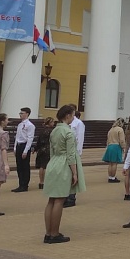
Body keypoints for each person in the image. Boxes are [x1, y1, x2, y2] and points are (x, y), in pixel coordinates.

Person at [43, 104, 85, 244]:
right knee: (59, 200)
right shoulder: (68, 132)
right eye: (73, 115)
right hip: (63, 165)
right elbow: (71, 155)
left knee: (51, 200)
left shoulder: (54, 130)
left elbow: (51, 151)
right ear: (68, 116)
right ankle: (54, 233)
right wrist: (74, 173)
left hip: (53, 163)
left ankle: (48, 233)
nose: (73, 118)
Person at [12, 107, 36, 193]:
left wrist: (26, 151)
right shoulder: (20, 125)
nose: (20, 115)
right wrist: (15, 148)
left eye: (22, 113)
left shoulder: (30, 125)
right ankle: (20, 183)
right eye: (20, 113)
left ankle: (25, 184)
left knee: (25, 166)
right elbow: (17, 137)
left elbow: (30, 138)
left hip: (25, 145)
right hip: (19, 145)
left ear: (27, 114)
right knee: (19, 166)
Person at [65, 107, 85, 207]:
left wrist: (78, 153)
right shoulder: (65, 123)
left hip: (74, 152)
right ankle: (65, 196)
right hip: (66, 152)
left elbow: (80, 138)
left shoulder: (78, 123)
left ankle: (71, 198)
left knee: (73, 175)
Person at [103, 118, 127, 183]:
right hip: (116, 146)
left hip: (110, 146)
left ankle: (110, 176)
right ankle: (113, 178)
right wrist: (123, 147)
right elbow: (122, 140)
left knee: (110, 163)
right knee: (114, 163)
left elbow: (107, 139)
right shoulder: (120, 130)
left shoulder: (111, 130)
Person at [35, 117, 55, 190]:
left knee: (42, 166)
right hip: (49, 149)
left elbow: (39, 140)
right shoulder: (52, 131)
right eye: (52, 122)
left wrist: (36, 148)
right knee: (47, 166)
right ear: (49, 123)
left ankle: (41, 182)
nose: (53, 123)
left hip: (41, 149)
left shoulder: (42, 130)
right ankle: (47, 182)